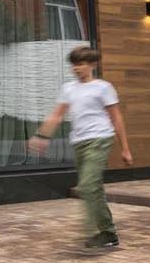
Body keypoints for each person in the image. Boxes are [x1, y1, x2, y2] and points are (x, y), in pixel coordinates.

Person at [29, 45, 131, 249]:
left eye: (81, 64)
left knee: (87, 184)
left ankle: (101, 229)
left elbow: (116, 118)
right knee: (93, 188)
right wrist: (41, 136)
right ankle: (108, 233)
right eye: (74, 64)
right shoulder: (69, 88)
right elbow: (57, 115)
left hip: (100, 138)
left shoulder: (103, 87)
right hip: (80, 142)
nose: (77, 68)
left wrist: (125, 148)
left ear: (92, 64)